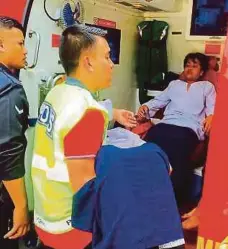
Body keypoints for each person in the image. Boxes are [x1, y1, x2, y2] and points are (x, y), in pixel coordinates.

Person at [31, 25, 136, 249]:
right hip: (71, 227)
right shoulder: (88, 110)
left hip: (45, 214)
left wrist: (113, 113)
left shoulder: (57, 91)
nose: (111, 64)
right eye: (107, 57)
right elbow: (85, 187)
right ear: (88, 62)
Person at [137, 53, 216, 207]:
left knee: (177, 152)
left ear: (201, 72)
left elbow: (212, 108)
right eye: (187, 65)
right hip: (165, 125)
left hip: (188, 129)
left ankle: (171, 201)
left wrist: (212, 116)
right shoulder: (174, 85)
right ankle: (142, 193)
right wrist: (146, 107)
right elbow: (157, 101)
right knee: (149, 147)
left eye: (194, 66)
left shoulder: (207, 87)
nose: (189, 69)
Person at [0, 16, 30, 248]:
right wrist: (21, 205)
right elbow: (8, 151)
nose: (25, 50)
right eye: (20, 44)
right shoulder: (10, 89)